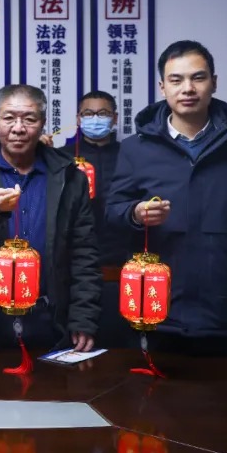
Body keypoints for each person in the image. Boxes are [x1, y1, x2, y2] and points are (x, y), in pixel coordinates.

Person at [106, 40, 227, 356]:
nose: (188, 88)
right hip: (152, 301)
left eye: (198, 78)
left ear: (214, 82)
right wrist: (135, 213)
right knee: (147, 386)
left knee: (220, 386)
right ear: (162, 87)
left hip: (222, 302)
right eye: (176, 80)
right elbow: (112, 211)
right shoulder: (135, 148)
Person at [0, 84, 99, 352]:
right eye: (9, 118)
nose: (18, 128)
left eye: (29, 119)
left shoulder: (70, 177)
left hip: (48, 319)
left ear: (43, 123)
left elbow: (84, 253)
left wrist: (84, 317)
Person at [59, 90, 132, 347]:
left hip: (122, 259)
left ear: (115, 118)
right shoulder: (62, 157)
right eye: (88, 113)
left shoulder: (130, 155)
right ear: (78, 119)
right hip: (75, 261)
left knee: (122, 342)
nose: (95, 119)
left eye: (103, 113)